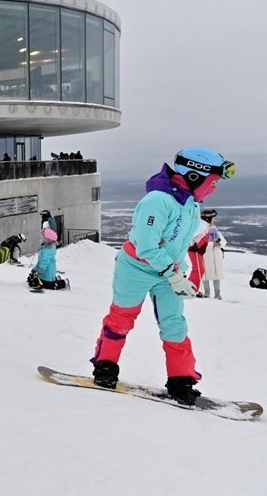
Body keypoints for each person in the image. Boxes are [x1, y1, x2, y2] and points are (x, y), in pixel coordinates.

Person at [90, 146, 236, 406]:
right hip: (135, 267)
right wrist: (173, 273)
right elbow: (146, 247)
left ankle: (181, 380)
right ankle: (105, 367)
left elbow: (178, 244)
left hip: (167, 272)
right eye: (212, 182)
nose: (213, 189)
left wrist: (182, 272)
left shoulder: (190, 203)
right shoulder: (157, 201)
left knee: (175, 324)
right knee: (121, 318)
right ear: (194, 176)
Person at [200, 209, 227, 299]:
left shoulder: (215, 230)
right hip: (207, 255)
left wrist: (219, 244)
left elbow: (224, 241)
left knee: (217, 275)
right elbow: (200, 244)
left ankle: (217, 293)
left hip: (216, 255)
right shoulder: (202, 231)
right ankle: (207, 292)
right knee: (206, 275)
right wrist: (212, 244)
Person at [186, 218, 210, 295]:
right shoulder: (202, 225)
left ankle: (192, 287)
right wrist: (193, 243)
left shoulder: (205, 225)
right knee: (199, 269)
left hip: (199, 251)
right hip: (194, 250)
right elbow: (192, 234)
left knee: (200, 269)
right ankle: (191, 288)